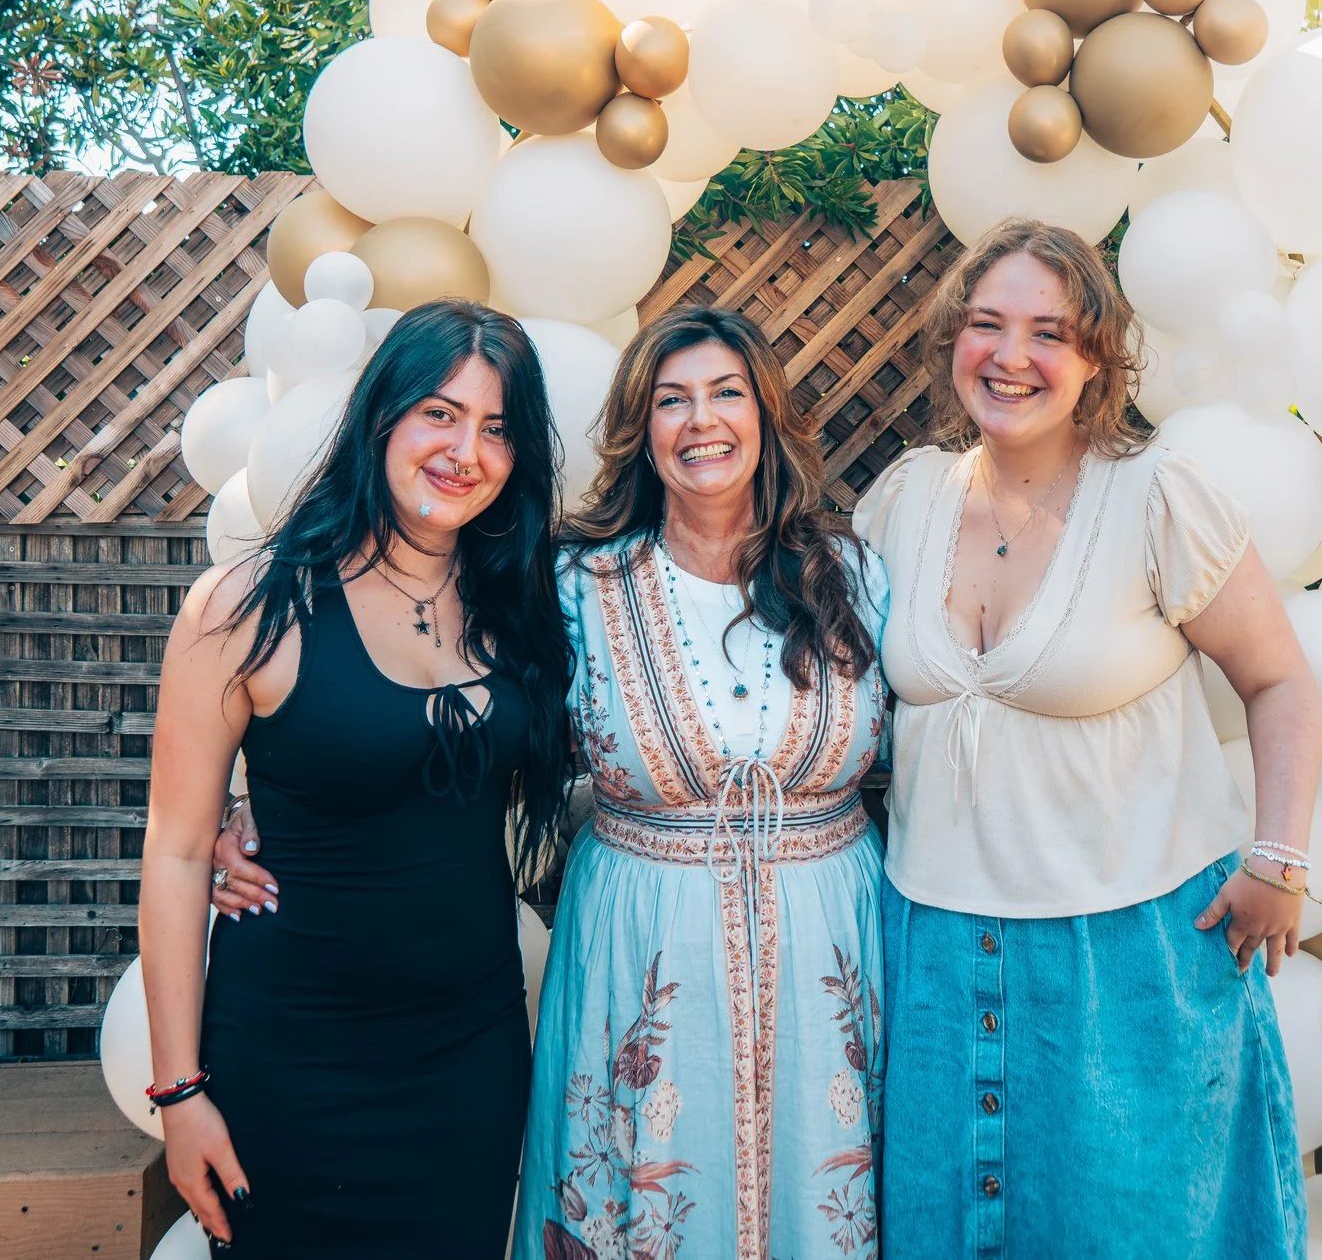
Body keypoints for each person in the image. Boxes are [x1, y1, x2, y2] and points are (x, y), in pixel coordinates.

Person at [213, 306, 892, 1260]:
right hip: (639, 953)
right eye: (672, 400)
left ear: (768, 414)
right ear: (639, 430)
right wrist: (254, 805)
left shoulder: (859, 578)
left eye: (727, 393)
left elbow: (953, 734)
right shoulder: (572, 587)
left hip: (830, 956)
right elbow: (444, 719)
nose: (702, 420)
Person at [852, 217, 1322, 1259]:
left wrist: (1278, 858)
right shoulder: (902, 500)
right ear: (951, 342)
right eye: (985, 323)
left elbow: (1280, 677)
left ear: (1097, 358)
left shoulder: (1156, 495)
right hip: (931, 951)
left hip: (1131, 959)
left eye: (1047, 332)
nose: (1010, 355)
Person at [143, 302, 578, 1258]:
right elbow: (177, 851)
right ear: (381, 414)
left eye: (497, 427)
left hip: (469, 1060)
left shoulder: (528, 606)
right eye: (440, 412)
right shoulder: (245, 606)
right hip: (290, 1062)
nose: (467, 448)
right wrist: (179, 1093)